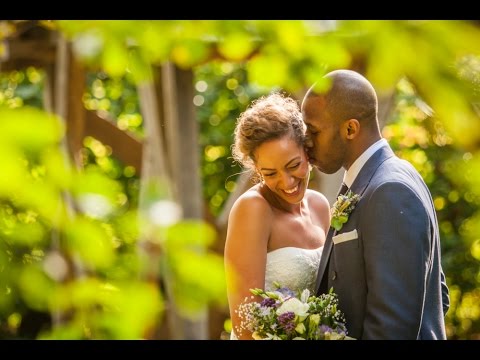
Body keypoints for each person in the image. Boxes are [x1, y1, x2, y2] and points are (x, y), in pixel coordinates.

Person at [301, 69, 450, 340]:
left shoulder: (389, 190)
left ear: (350, 128)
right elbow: (437, 295)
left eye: (313, 130)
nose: (306, 142)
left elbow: (392, 327)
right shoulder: (377, 180)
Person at [224, 92, 330, 340]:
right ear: (256, 168)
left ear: (307, 149)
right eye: (270, 173)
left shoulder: (320, 206)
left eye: (293, 165)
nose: (287, 182)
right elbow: (244, 325)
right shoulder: (252, 209)